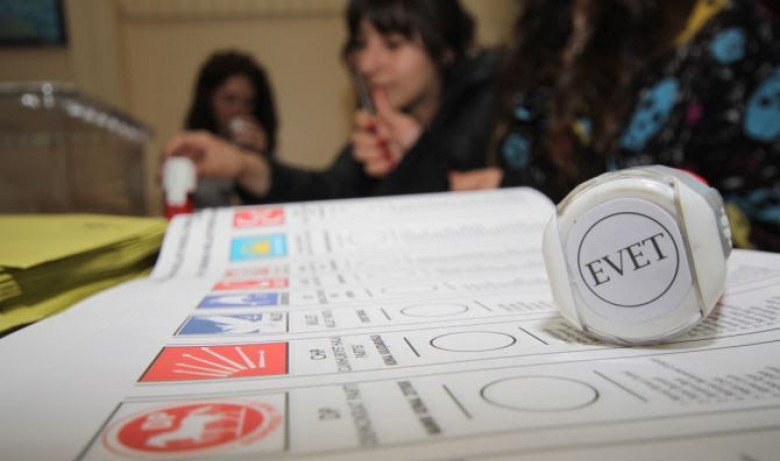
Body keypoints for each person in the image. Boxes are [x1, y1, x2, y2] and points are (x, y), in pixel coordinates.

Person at [454, 0, 780, 251]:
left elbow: (654, 187)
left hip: (709, 276)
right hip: (566, 262)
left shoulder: (725, 29)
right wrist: (517, 192)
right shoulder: (551, 25)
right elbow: (574, 173)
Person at [163, 0, 499, 203]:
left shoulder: (493, 106)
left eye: (393, 44)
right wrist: (243, 165)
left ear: (444, 51)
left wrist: (417, 156)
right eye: (361, 44)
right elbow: (332, 192)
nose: (365, 64)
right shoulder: (386, 121)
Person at [183, 50, 278, 207]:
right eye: (229, 99)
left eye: (248, 102)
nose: (239, 110)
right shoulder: (192, 153)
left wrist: (261, 159)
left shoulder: (259, 150)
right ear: (209, 100)